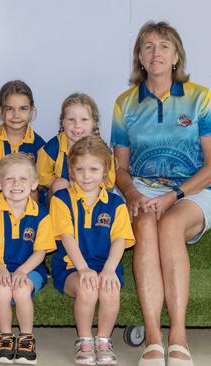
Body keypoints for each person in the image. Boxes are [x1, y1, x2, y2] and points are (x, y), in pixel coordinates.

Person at [110, 21, 211, 366]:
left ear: (176, 56)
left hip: (193, 191)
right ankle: (153, 338)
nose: (155, 52)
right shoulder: (124, 103)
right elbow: (119, 169)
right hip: (142, 190)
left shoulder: (201, 97)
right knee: (146, 225)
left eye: (163, 46)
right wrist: (132, 194)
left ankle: (178, 336)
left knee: (169, 226)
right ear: (140, 59)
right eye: (147, 47)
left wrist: (173, 195)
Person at [50, 136, 135, 365]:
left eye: (94, 169)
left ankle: (103, 340)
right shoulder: (61, 199)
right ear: (71, 170)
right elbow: (66, 238)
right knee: (88, 288)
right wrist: (84, 268)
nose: (86, 175)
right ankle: (85, 340)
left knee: (109, 290)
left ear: (106, 170)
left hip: (104, 264)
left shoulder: (116, 204)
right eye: (80, 169)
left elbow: (119, 240)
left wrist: (108, 270)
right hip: (71, 266)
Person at [0, 152, 56, 365]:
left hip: (30, 269)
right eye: (9, 178)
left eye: (23, 178)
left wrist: (21, 272)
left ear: (35, 183)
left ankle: (27, 338)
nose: (16, 184)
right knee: (1, 288)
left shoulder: (42, 215)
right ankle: (6, 338)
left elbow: (40, 252)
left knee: (20, 289)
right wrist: (0, 269)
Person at [37, 93, 116, 197]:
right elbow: (42, 177)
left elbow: (109, 182)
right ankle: (62, 212)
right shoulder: (52, 149)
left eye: (84, 120)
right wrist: (71, 188)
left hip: (91, 197)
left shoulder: (102, 151)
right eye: (71, 120)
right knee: (60, 184)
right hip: (63, 198)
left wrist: (84, 186)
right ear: (62, 122)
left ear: (94, 123)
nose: (77, 125)